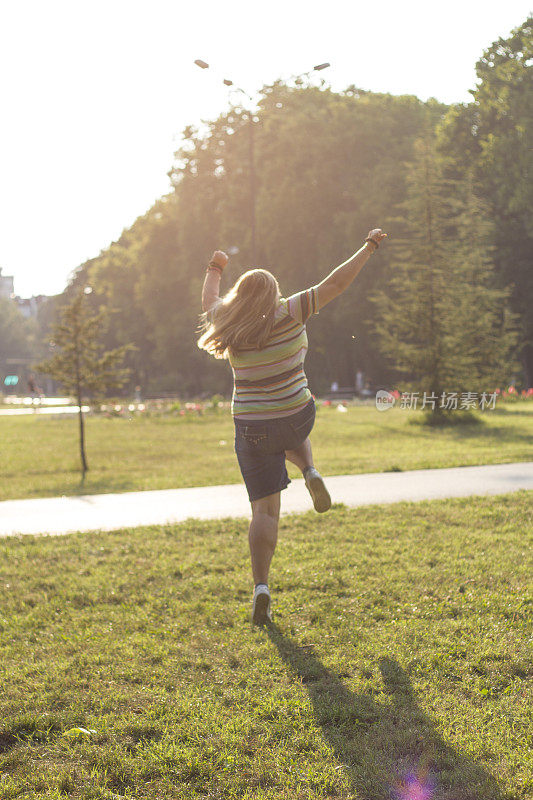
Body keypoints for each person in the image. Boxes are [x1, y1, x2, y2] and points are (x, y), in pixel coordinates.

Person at [197, 229, 387, 625]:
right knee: (293, 426)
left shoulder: (227, 320)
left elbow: (209, 300)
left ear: (241, 297)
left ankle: (261, 588)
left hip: (251, 427)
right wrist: (368, 247)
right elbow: (336, 282)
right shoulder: (291, 310)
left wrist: (216, 266)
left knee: (264, 512)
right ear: (273, 294)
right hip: (296, 415)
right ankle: (310, 469)